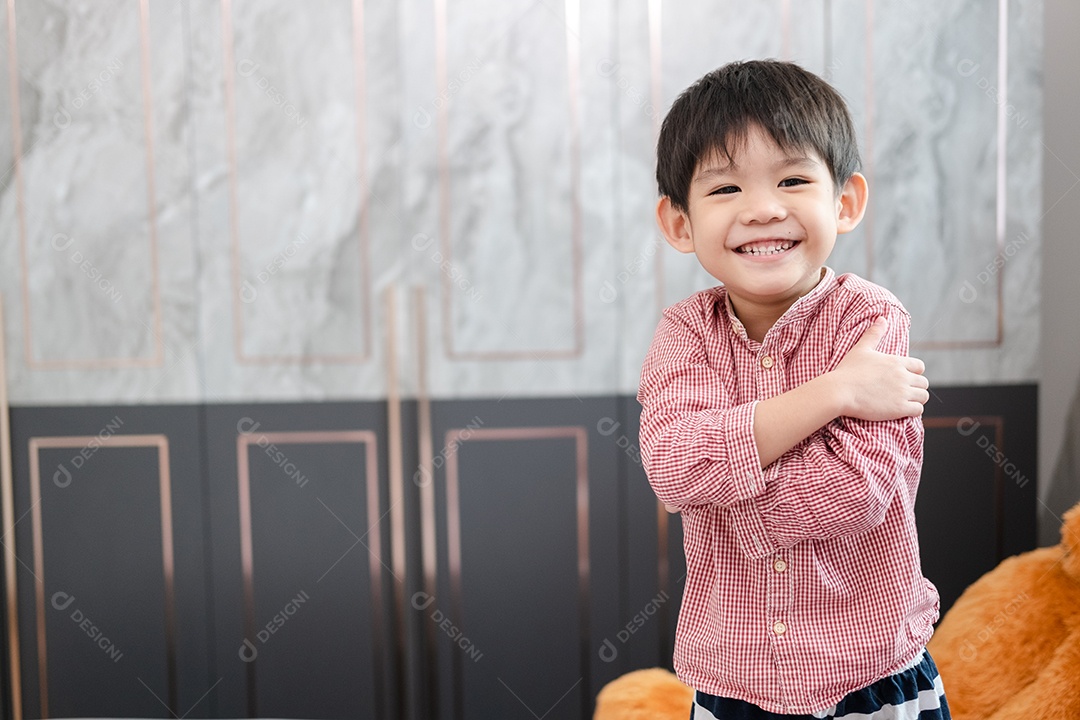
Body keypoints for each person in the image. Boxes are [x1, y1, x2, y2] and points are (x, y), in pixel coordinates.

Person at [637, 59, 950, 719]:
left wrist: (726, 484)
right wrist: (834, 394)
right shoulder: (684, 335)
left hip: (872, 675)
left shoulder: (872, 321)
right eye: (725, 190)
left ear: (845, 202)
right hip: (732, 682)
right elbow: (673, 467)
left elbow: (852, 494)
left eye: (793, 179)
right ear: (679, 223)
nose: (763, 209)